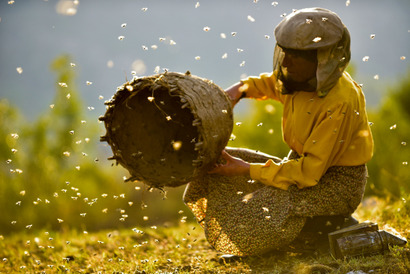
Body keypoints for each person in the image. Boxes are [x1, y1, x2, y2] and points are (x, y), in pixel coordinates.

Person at [183, 7, 374, 257]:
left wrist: (245, 169)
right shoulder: (300, 78)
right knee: (218, 163)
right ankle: (307, 229)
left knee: (261, 209)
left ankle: (325, 226)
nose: (285, 61)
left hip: (336, 186)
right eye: (285, 52)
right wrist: (240, 90)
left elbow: (308, 173)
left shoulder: (340, 102)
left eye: (296, 55)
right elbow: (271, 83)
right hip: (300, 170)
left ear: (323, 57)